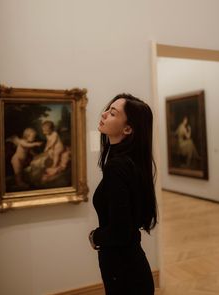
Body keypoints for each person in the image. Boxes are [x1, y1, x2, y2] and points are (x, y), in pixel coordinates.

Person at [89, 94, 158, 295]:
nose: (103, 114)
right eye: (108, 109)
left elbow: (121, 231)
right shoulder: (131, 162)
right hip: (129, 264)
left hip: (123, 268)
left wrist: (95, 236)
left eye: (112, 113)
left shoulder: (117, 166)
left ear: (128, 129)